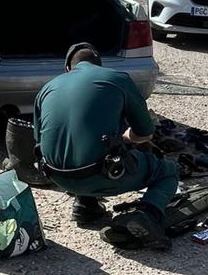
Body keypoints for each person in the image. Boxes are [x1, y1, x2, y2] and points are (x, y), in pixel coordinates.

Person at [33, 42, 178, 250]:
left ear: (68, 69)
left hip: (58, 177)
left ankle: (86, 205)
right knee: (168, 172)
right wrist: (126, 138)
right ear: (99, 65)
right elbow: (145, 133)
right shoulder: (117, 79)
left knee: (79, 143)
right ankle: (147, 215)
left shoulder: (47, 88)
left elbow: (40, 141)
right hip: (104, 174)